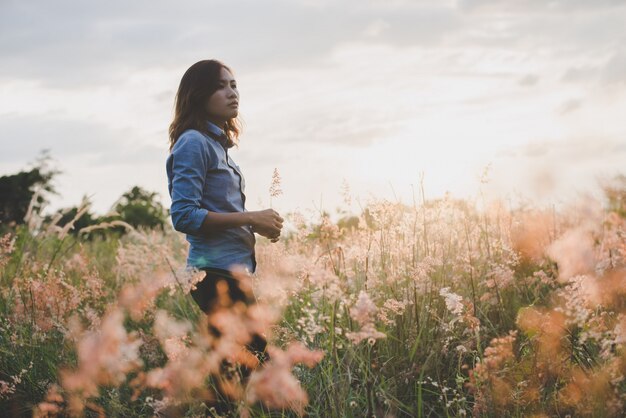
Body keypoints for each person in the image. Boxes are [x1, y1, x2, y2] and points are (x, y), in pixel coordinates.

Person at [166, 59, 283, 406]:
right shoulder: (193, 143)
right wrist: (250, 217)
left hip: (230, 271)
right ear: (198, 94)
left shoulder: (216, 146)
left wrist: (257, 225)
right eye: (221, 86)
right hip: (212, 273)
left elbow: (219, 210)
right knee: (256, 365)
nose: (232, 92)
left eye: (234, 85)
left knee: (235, 373)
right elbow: (184, 215)